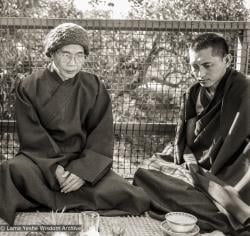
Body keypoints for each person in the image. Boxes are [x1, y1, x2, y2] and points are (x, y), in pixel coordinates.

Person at [0, 22, 149, 225]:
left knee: (130, 195)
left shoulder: (93, 86)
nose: (73, 62)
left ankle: (42, 198)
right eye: (66, 54)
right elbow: (31, 133)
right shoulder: (28, 85)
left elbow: (101, 134)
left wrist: (82, 172)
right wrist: (55, 168)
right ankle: (63, 197)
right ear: (52, 53)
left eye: (79, 55)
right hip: (41, 162)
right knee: (11, 170)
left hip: (81, 159)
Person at [133, 33, 250, 235]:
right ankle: (216, 211)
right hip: (198, 170)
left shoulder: (246, 91)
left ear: (227, 60)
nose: (200, 73)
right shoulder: (193, 93)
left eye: (207, 65)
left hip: (233, 174)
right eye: (194, 66)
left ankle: (226, 212)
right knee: (144, 171)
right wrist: (190, 167)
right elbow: (182, 143)